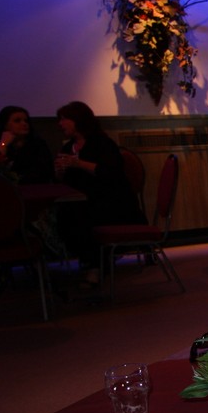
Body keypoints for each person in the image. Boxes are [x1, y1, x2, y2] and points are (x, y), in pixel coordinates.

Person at [54, 101, 146, 283]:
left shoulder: (102, 143)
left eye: (64, 119)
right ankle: (90, 261)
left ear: (78, 120)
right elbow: (65, 181)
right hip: (82, 200)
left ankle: (95, 265)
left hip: (112, 202)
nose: (60, 124)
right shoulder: (68, 148)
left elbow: (110, 173)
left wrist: (78, 163)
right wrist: (60, 171)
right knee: (66, 214)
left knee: (86, 215)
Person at [0, 105, 53, 184]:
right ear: (5, 125)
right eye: (17, 121)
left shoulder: (38, 144)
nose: (24, 124)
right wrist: (3, 145)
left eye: (26, 121)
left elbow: (44, 171)